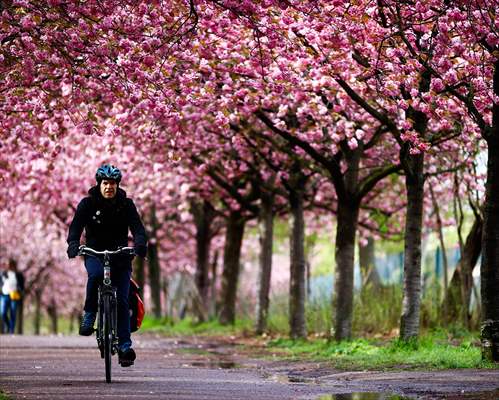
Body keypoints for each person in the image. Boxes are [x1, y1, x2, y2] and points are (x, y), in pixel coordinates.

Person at [67, 164, 147, 367]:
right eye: (105, 183)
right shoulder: (87, 204)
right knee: (95, 276)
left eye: (112, 183)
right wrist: (74, 244)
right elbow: (75, 227)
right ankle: (89, 314)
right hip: (94, 252)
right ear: (99, 184)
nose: (108, 187)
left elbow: (138, 228)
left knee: (121, 300)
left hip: (120, 255)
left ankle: (124, 347)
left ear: (117, 185)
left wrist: (140, 244)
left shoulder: (126, 204)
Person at [0, 260, 25, 334]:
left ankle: (11, 330)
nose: (8, 266)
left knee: (13, 312)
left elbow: (22, 285)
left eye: (10, 265)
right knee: (3, 312)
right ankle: (7, 325)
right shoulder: (3, 273)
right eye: (7, 265)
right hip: (4, 295)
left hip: (14, 295)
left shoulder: (18, 274)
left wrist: (20, 291)